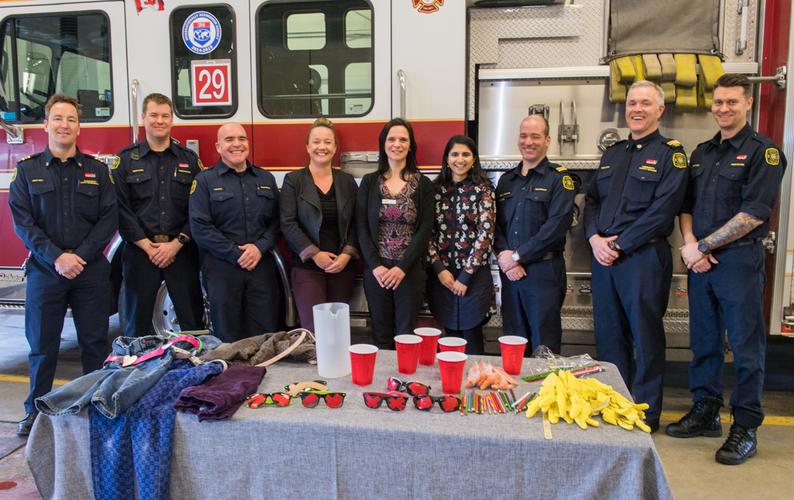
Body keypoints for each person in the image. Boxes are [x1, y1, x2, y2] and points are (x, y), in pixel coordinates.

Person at [667, 74, 786, 465]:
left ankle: (746, 426)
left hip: (738, 261)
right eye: (718, 102)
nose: (723, 109)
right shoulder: (702, 152)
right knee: (704, 341)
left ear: (748, 103)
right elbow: (686, 205)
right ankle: (706, 411)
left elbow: (753, 214)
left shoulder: (763, 153)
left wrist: (702, 246)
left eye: (732, 102)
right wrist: (689, 246)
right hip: (700, 261)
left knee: (747, 347)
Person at [8, 93, 117, 436]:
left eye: (71, 119)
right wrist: (57, 257)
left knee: (95, 343)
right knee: (42, 347)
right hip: (45, 271)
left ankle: (94, 405)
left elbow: (108, 219)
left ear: (79, 127)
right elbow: (23, 224)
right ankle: (35, 412)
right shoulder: (27, 172)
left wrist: (79, 257)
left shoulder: (97, 171)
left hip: (89, 272)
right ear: (46, 125)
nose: (64, 125)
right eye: (58, 118)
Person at [583, 80, 689, 432]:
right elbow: (593, 201)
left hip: (643, 257)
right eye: (632, 103)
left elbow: (664, 211)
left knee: (645, 336)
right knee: (609, 334)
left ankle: (644, 411)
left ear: (660, 110)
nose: (637, 109)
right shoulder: (613, 154)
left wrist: (618, 244)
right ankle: (614, 402)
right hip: (604, 259)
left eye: (645, 103)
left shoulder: (670, 154)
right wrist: (594, 237)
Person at [113, 93, 204, 337]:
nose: (159, 121)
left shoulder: (189, 160)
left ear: (172, 119)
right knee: (135, 327)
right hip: (141, 253)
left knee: (192, 324)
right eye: (153, 115)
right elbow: (121, 209)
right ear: (143, 118)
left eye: (165, 115)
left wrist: (177, 244)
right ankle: (135, 372)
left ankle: (197, 372)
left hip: (181, 252)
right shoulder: (124, 161)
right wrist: (147, 246)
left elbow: (198, 209)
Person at [189, 123, 280, 342]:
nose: (237, 144)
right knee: (227, 336)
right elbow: (200, 227)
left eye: (242, 138)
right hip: (222, 269)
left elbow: (277, 222)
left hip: (261, 267)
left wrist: (259, 248)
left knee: (265, 333)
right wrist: (235, 254)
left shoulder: (265, 179)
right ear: (218, 147)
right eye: (229, 140)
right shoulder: (205, 181)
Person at [494, 115, 575, 354]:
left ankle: (545, 392)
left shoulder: (559, 178)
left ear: (548, 140)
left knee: (544, 345)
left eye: (535, 136)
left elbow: (556, 227)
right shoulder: (507, 181)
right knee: (512, 343)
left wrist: (518, 256)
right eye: (523, 135)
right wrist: (506, 259)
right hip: (510, 274)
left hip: (543, 272)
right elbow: (495, 225)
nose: (528, 142)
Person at [356, 118, 434, 349]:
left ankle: (404, 382)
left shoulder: (423, 184)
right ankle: (382, 384)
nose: (397, 144)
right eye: (391, 139)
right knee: (380, 333)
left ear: (410, 146)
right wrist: (376, 266)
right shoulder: (370, 182)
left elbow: (425, 229)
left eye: (403, 139)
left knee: (405, 335)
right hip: (377, 271)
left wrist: (402, 268)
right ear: (383, 144)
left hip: (409, 271)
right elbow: (361, 226)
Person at [279, 117, 358, 332]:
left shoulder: (347, 182)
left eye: (327, 142)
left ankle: (337, 366)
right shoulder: (293, 180)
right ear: (307, 147)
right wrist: (315, 254)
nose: (321, 147)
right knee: (314, 331)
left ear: (335, 148)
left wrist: (346, 255)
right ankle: (315, 366)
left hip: (342, 267)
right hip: (307, 267)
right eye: (316, 142)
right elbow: (287, 223)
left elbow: (356, 223)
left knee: (337, 330)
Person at [427, 135, 495, 354]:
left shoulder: (484, 189)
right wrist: (439, 270)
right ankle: (451, 383)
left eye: (466, 154)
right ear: (446, 159)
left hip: (473, 277)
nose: (460, 159)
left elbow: (486, 233)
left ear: (474, 159)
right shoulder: (435, 190)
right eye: (454, 154)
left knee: (471, 336)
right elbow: (426, 232)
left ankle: (475, 383)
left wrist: (465, 277)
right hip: (443, 276)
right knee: (449, 337)